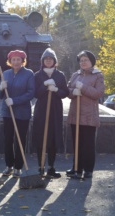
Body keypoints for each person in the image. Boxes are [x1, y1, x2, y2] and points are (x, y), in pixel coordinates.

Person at [66, 50, 105, 179]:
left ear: (91, 62)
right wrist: (73, 92)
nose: (83, 62)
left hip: (89, 115)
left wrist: (82, 87)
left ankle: (88, 169)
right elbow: (68, 90)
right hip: (75, 114)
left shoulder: (97, 75)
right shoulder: (75, 75)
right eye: (81, 60)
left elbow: (98, 93)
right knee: (76, 142)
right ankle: (76, 167)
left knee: (88, 143)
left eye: (86, 60)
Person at [32, 48, 69, 178]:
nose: (48, 60)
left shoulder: (60, 75)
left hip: (55, 109)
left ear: (54, 61)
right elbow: (35, 93)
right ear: (42, 61)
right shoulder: (37, 75)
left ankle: (51, 167)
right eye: (46, 59)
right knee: (41, 137)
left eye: (50, 58)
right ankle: (40, 166)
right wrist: (44, 86)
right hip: (41, 109)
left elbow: (65, 92)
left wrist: (56, 89)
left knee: (53, 138)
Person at [0, 50, 35, 178]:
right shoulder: (5, 74)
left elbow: (31, 93)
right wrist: (1, 88)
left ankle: (18, 166)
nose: (15, 62)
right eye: (13, 59)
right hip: (7, 112)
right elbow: (0, 95)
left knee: (20, 139)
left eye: (18, 59)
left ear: (22, 61)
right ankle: (9, 165)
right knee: (8, 139)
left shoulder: (29, 74)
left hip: (22, 112)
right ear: (10, 61)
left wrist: (14, 101)